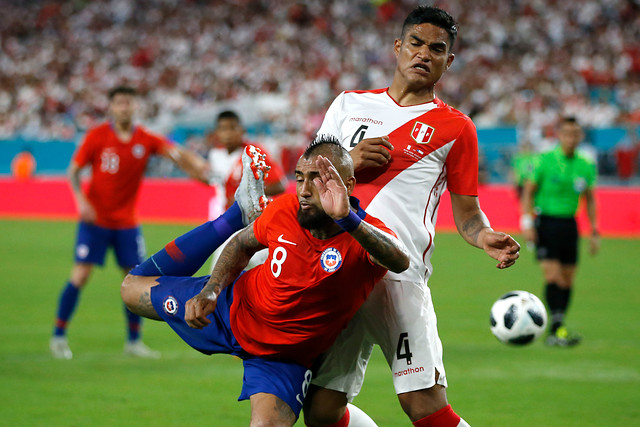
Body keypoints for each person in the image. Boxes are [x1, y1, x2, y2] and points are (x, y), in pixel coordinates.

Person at [303, 6, 521, 427]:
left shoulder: (456, 128)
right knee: (321, 411)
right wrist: (346, 160)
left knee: (424, 405)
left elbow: (468, 213)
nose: (424, 54)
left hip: (396, 272)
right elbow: (306, 180)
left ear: (448, 61)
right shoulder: (348, 104)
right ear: (398, 47)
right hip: (337, 266)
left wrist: (484, 235)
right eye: (416, 44)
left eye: (437, 49)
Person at [120, 139, 410, 426]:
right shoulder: (286, 209)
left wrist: (348, 219)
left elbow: (400, 260)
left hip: (280, 359)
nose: (305, 190)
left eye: (318, 180)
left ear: (346, 185)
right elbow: (241, 246)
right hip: (228, 310)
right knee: (131, 290)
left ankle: (239, 213)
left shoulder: (363, 238)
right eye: (299, 178)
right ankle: (237, 214)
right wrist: (212, 289)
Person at [49, 86, 210, 360]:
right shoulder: (97, 136)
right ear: (111, 107)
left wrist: (196, 165)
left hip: (126, 223)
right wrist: (81, 202)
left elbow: (174, 152)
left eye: (128, 102)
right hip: (95, 220)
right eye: (119, 103)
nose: (124, 107)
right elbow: (73, 171)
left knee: (135, 280)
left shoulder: (144, 139)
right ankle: (59, 336)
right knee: (81, 275)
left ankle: (134, 342)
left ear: (134, 106)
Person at [520, 116, 599, 347]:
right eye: (567, 133)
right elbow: (528, 191)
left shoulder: (585, 165)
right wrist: (527, 223)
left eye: (576, 134)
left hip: (569, 225)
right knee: (552, 275)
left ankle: (558, 326)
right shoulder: (545, 160)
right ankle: (555, 329)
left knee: (567, 279)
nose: (571, 138)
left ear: (580, 136)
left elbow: (591, 199)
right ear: (559, 135)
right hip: (546, 222)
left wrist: (594, 230)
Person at [208, 110, 286, 219]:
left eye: (232, 128)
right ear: (217, 132)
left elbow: (279, 185)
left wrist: (245, 195)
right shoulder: (215, 154)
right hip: (223, 214)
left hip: (250, 218)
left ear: (242, 130)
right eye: (223, 129)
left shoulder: (254, 153)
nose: (228, 134)